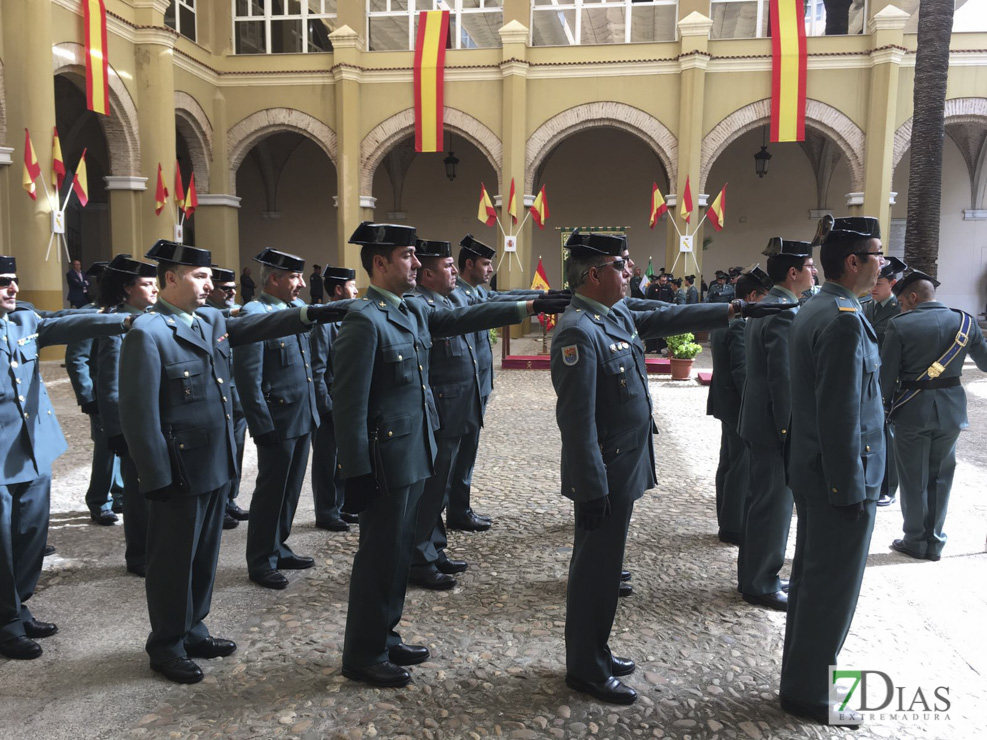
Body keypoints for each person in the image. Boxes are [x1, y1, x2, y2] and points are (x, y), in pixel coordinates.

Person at [550, 230, 788, 705]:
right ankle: (585, 667)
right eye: (622, 264)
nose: (631, 270)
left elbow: (668, 314)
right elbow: (576, 424)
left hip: (623, 465)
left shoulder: (613, 313)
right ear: (594, 274)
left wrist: (737, 309)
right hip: (605, 473)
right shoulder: (579, 329)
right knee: (595, 569)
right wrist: (591, 488)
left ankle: (594, 648)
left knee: (606, 566)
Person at [332, 222, 568, 689]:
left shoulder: (411, 311)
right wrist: (354, 471)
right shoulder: (364, 319)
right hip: (384, 462)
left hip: (415, 450)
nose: (416, 264)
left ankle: (386, 634)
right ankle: (362, 652)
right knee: (378, 555)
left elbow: (463, 318)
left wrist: (531, 304)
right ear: (379, 263)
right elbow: (348, 403)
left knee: (398, 552)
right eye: (407, 256)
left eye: (418, 257)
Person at [118, 240, 345, 684]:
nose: (210, 285)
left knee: (204, 555)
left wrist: (311, 314)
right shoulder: (148, 333)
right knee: (172, 561)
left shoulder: (210, 320)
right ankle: (166, 644)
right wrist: (155, 476)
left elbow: (256, 328)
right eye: (200, 276)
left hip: (215, 462)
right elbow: (139, 415)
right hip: (179, 470)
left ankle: (194, 627)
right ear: (170, 279)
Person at [781, 216, 887, 727]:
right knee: (831, 589)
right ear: (853, 261)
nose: (883, 264)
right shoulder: (843, 317)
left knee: (812, 580)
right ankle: (813, 694)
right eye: (878, 254)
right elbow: (841, 414)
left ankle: (800, 678)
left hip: (816, 471)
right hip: (840, 478)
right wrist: (850, 487)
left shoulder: (819, 306)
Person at [1, 254, 133, 661]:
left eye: (14, 281)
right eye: (3, 282)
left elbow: (70, 322)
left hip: (33, 447)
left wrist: (124, 320)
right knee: (2, 543)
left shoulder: (23, 321)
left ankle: (19, 605)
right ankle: (6, 622)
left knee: (30, 535)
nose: (13, 289)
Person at [880, 270, 987, 561]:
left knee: (913, 477)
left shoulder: (900, 325)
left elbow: (886, 378)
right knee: (941, 477)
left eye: (902, 302)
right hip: (951, 412)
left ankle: (915, 540)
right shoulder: (964, 322)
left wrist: (884, 408)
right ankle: (935, 541)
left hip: (912, 411)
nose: (901, 307)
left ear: (913, 297)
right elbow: (986, 363)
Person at [736, 238, 816, 612]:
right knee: (773, 506)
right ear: (793, 273)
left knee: (761, 503)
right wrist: (790, 432)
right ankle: (761, 581)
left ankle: (755, 573)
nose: (814, 271)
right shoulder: (784, 311)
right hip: (773, 425)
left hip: (758, 420)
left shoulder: (770, 305)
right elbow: (783, 380)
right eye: (809, 266)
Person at [236, 249, 319, 590]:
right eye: (294, 278)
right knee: (271, 491)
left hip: (300, 414)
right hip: (278, 418)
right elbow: (247, 376)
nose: (301, 284)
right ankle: (260, 559)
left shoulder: (290, 312)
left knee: (290, 489)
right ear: (274, 279)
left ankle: (278, 544)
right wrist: (261, 423)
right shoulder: (254, 314)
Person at [451, 235, 544, 532]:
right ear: (469, 264)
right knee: (452, 457)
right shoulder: (457, 297)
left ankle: (459, 508)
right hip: (460, 390)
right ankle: (447, 512)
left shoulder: (477, 294)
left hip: (477, 387)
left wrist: (539, 297)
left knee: (467, 452)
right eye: (486, 263)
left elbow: (503, 296)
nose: (491, 269)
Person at [407, 239, 481, 590]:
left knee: (441, 487)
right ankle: (419, 559)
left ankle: (433, 548)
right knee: (432, 488)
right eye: (448, 266)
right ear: (427, 273)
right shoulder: (421, 304)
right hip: (441, 409)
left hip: (457, 407)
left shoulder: (446, 300)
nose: (455, 271)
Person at [94, 254, 159, 576]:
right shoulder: (116, 324)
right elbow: (109, 385)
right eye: (147, 284)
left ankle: (156, 548)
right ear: (127, 289)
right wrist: (117, 432)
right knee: (137, 493)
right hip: (133, 425)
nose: (154, 289)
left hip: (157, 420)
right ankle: (139, 556)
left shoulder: (150, 318)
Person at [707, 266, 770, 546]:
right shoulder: (743, 324)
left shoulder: (726, 319)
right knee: (739, 466)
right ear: (753, 296)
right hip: (738, 404)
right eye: (766, 296)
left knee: (729, 463)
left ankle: (727, 517)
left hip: (725, 401)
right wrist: (755, 407)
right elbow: (742, 371)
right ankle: (733, 526)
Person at [64, 261, 125, 524]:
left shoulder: (124, 313)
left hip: (124, 392)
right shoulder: (91, 314)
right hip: (101, 394)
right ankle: (99, 501)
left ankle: (120, 492)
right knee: (106, 450)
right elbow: (77, 358)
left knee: (123, 445)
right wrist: (88, 396)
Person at [310, 265, 359, 532]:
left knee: (342, 458)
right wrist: (325, 408)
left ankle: (340, 506)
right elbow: (316, 370)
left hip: (345, 402)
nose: (356, 290)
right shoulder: (324, 324)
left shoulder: (347, 320)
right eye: (352, 286)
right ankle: (326, 511)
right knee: (326, 461)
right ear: (339, 290)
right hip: (329, 403)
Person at [204, 267, 250, 529]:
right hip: (218, 396)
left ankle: (230, 499)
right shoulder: (206, 314)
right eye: (226, 288)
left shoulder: (237, 310)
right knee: (219, 453)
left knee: (236, 451)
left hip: (237, 394)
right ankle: (217, 505)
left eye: (234, 287)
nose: (232, 292)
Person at [864, 255, 907, 507]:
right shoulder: (867, 306)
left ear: (891, 283)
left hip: (889, 379)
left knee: (888, 434)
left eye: (878, 283)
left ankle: (888, 487)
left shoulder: (898, 310)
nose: (873, 288)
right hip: (868, 379)